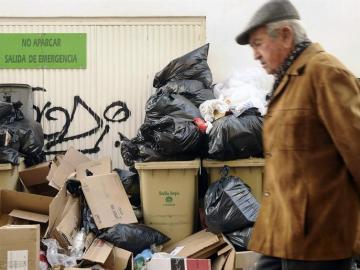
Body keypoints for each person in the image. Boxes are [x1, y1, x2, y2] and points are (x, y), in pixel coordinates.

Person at [235, 0, 360, 269]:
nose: (255, 55)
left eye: (258, 43)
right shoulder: (290, 79)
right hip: (280, 231)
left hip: (317, 239)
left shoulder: (324, 72)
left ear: (285, 34)